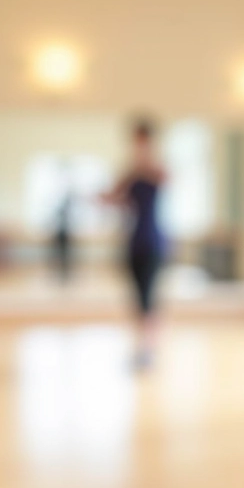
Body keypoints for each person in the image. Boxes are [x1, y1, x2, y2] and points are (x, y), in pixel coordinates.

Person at [103, 116, 168, 370]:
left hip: (153, 241)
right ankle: (142, 347)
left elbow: (166, 180)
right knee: (137, 300)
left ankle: (148, 348)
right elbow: (115, 198)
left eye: (143, 140)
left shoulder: (157, 169)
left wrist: (141, 166)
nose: (139, 145)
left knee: (149, 298)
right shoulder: (129, 173)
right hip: (133, 242)